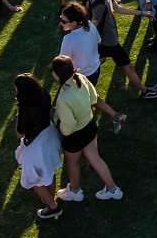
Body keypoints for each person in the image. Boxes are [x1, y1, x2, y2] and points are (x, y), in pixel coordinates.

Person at [86, 0, 157, 100]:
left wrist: (142, 13)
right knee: (129, 66)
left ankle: (81, 78)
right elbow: (93, 25)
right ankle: (145, 91)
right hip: (109, 43)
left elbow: (117, 8)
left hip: (105, 42)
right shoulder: (99, 2)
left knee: (99, 60)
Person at [51, 54, 123, 201]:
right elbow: (93, 98)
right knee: (95, 158)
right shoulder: (82, 78)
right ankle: (113, 189)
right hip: (90, 127)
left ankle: (75, 192)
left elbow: (69, 127)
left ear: (57, 75)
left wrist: (60, 127)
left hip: (75, 136)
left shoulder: (63, 98)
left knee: (72, 163)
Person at [13, 72, 65, 220]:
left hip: (37, 147)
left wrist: (17, 114)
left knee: (33, 180)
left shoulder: (25, 109)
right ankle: (49, 197)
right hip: (50, 135)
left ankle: (53, 207)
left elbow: (20, 133)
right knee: (49, 171)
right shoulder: (44, 94)